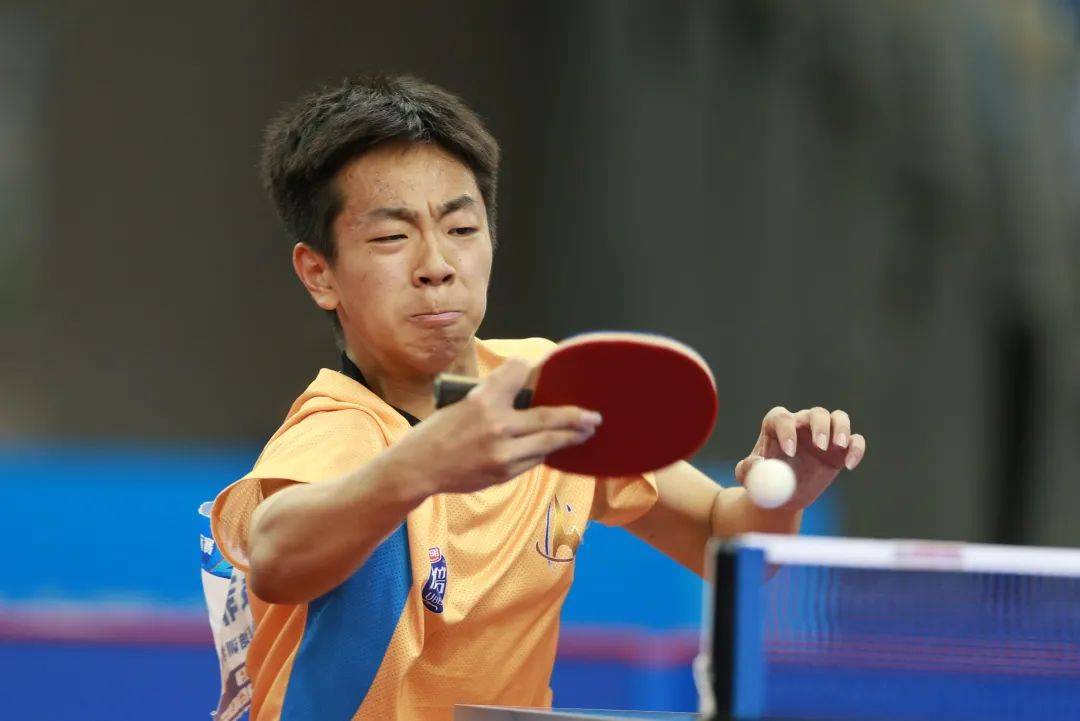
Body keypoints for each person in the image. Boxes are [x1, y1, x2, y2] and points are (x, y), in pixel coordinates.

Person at [210, 74, 866, 721]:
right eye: (390, 237)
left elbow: (720, 538)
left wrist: (785, 493)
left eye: (461, 229)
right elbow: (275, 556)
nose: (436, 265)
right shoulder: (339, 428)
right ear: (319, 273)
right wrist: (421, 464)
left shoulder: (552, 387)